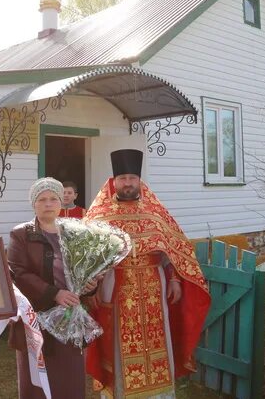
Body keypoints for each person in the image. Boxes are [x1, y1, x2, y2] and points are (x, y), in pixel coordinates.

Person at [85, 149, 211, 398]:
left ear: (139, 180)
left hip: (154, 285)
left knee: (157, 338)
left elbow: (174, 247)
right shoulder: (100, 214)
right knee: (119, 344)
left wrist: (175, 279)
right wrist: (91, 288)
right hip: (115, 285)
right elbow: (87, 256)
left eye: (132, 177)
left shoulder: (155, 211)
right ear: (114, 181)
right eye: (123, 178)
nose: (128, 183)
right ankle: (120, 392)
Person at [8, 177, 99, 399]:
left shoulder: (75, 233)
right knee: (37, 380)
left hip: (70, 317)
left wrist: (90, 285)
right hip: (36, 318)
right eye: (42, 199)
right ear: (34, 204)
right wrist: (54, 293)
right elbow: (18, 273)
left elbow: (84, 268)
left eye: (53, 199)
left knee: (69, 377)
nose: (48, 203)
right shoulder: (21, 234)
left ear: (60, 203)